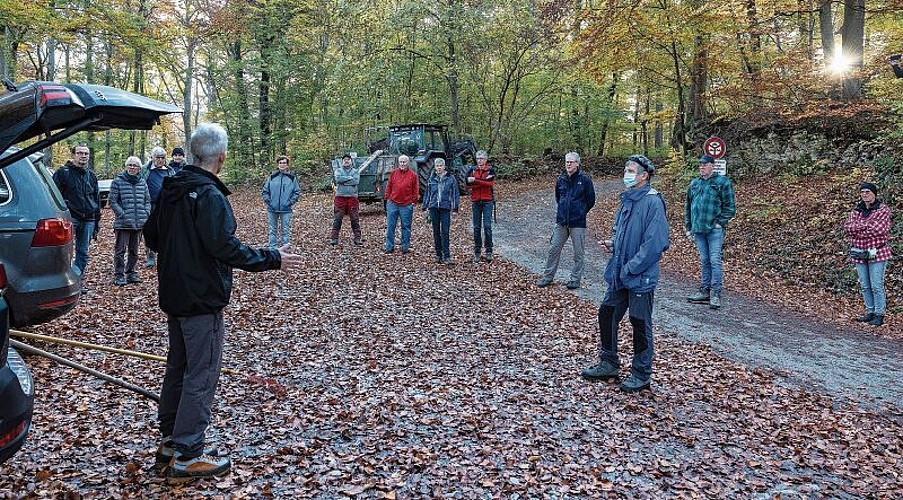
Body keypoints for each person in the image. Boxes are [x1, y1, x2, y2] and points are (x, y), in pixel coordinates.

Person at [144, 123, 302, 485]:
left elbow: (152, 236)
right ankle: (186, 453)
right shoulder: (206, 194)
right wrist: (272, 257)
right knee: (200, 373)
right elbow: (224, 247)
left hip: (176, 294)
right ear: (222, 157)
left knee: (180, 367)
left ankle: (171, 442)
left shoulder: (172, 187)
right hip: (199, 299)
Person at [581, 155, 669, 393]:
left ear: (644, 176)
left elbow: (655, 243)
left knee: (640, 324)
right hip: (620, 272)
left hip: (639, 276)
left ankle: (641, 375)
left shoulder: (653, 202)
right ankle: (609, 363)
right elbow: (622, 231)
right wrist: (613, 244)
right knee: (607, 313)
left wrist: (631, 267)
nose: (626, 174)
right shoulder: (627, 199)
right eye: (626, 170)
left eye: (631, 171)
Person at [536, 152, 596, 289]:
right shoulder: (561, 179)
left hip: (578, 223)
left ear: (577, 163)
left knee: (578, 253)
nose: (568, 164)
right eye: (567, 162)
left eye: (571, 162)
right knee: (553, 249)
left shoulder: (585, 180)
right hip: (561, 222)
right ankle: (547, 277)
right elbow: (558, 198)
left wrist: (580, 211)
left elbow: (591, 200)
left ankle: (575, 279)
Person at [685, 154, 736, 309]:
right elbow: (688, 206)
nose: (702, 167)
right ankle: (705, 291)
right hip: (698, 229)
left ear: (712, 166)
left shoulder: (722, 182)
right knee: (705, 260)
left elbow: (730, 207)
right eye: (700, 165)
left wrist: (720, 222)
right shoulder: (694, 183)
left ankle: (716, 293)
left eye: (705, 165)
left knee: (715, 260)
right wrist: (689, 227)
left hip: (714, 230)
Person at [844, 182, 892, 327]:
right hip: (859, 252)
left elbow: (879, 229)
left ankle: (879, 314)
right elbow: (848, 228)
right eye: (863, 192)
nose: (865, 194)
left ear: (874, 193)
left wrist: (858, 228)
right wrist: (866, 226)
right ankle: (870, 312)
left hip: (877, 251)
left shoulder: (882, 210)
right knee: (865, 285)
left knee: (876, 284)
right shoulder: (856, 210)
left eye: (868, 192)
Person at [52, 144, 100, 282]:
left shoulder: (92, 176)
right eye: (80, 153)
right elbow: (54, 196)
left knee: (83, 252)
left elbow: (96, 199)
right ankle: (62, 281)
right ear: (73, 155)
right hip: (70, 218)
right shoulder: (63, 173)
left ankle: (76, 280)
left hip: (89, 219)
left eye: (86, 153)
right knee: (65, 251)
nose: (83, 156)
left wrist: (97, 222)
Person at [108, 156, 151, 286]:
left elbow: (147, 200)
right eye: (130, 165)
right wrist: (122, 214)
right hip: (123, 223)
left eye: (135, 165)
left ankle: (131, 272)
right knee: (120, 250)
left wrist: (146, 213)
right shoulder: (118, 181)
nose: (132, 167)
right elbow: (112, 201)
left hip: (139, 223)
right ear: (126, 167)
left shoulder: (142, 182)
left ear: (139, 168)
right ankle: (119, 274)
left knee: (134, 250)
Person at [422, 158, 460, 264]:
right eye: (437, 166)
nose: (439, 167)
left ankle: (447, 255)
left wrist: (455, 208)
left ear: (444, 167)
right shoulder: (431, 179)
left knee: (445, 231)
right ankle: (438, 254)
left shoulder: (451, 178)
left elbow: (455, 194)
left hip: (445, 208)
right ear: (435, 167)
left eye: (440, 165)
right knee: (436, 232)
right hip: (434, 208)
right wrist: (425, 207)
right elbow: (427, 194)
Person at [144, 146, 175, 268]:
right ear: (152, 157)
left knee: (165, 230)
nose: (160, 160)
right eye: (158, 157)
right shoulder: (145, 170)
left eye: (163, 157)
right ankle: (150, 256)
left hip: (166, 206)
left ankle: (165, 254)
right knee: (149, 231)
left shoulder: (170, 171)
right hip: (149, 205)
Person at [261, 155, 301, 248]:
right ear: (277, 164)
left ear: (287, 165)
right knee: (272, 230)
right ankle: (272, 249)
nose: (282, 165)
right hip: (272, 209)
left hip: (286, 209)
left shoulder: (292, 178)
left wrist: (290, 202)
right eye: (280, 163)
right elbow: (265, 191)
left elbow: (297, 192)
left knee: (285, 230)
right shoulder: (272, 177)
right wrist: (269, 201)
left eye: (284, 163)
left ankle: (285, 250)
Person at [383, 154, 418, 254]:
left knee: (406, 227)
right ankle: (389, 247)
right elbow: (389, 186)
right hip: (393, 204)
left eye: (404, 162)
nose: (402, 164)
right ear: (398, 163)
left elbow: (415, 189)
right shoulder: (394, 173)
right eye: (401, 162)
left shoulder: (413, 175)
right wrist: (387, 198)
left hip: (406, 205)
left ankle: (405, 247)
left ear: (408, 163)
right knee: (390, 226)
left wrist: (413, 201)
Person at [466, 150, 496, 263]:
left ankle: (489, 251)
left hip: (488, 201)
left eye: (482, 158)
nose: (480, 160)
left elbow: (489, 184)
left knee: (487, 226)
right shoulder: (472, 170)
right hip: (476, 201)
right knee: (476, 227)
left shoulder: (490, 170)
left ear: (486, 159)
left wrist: (475, 181)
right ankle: (477, 252)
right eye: (478, 158)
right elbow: (467, 186)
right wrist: (480, 182)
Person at [330, 153, 362, 246]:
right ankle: (334, 239)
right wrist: (349, 178)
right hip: (340, 198)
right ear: (342, 161)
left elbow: (356, 181)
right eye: (345, 159)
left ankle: (357, 238)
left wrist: (344, 181)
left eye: (348, 159)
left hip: (352, 198)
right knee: (337, 219)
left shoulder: (356, 171)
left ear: (351, 161)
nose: (346, 161)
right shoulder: (338, 171)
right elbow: (338, 180)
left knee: (355, 219)